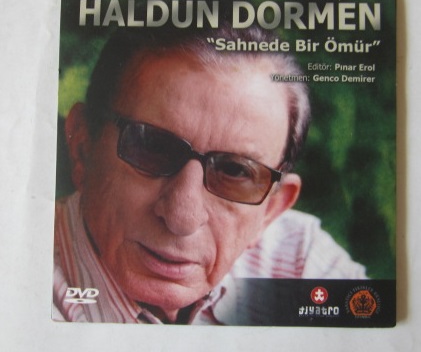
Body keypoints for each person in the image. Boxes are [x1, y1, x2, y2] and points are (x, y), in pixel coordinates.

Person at [53, 24, 366, 325]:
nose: (182, 218)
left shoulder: (298, 259)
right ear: (82, 148)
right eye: (153, 147)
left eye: (234, 170)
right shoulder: (30, 285)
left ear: (270, 211)